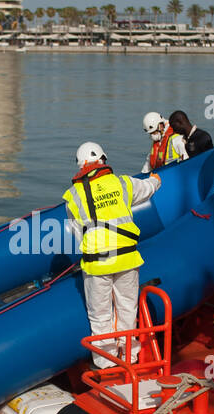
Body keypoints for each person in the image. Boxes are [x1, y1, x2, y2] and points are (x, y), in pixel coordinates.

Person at [64, 142, 162, 366]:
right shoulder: (122, 183)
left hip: (97, 264)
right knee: (128, 309)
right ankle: (129, 357)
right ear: (102, 160)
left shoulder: (73, 196)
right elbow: (147, 189)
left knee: (100, 316)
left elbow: (78, 232)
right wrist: (156, 180)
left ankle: (105, 364)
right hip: (127, 260)